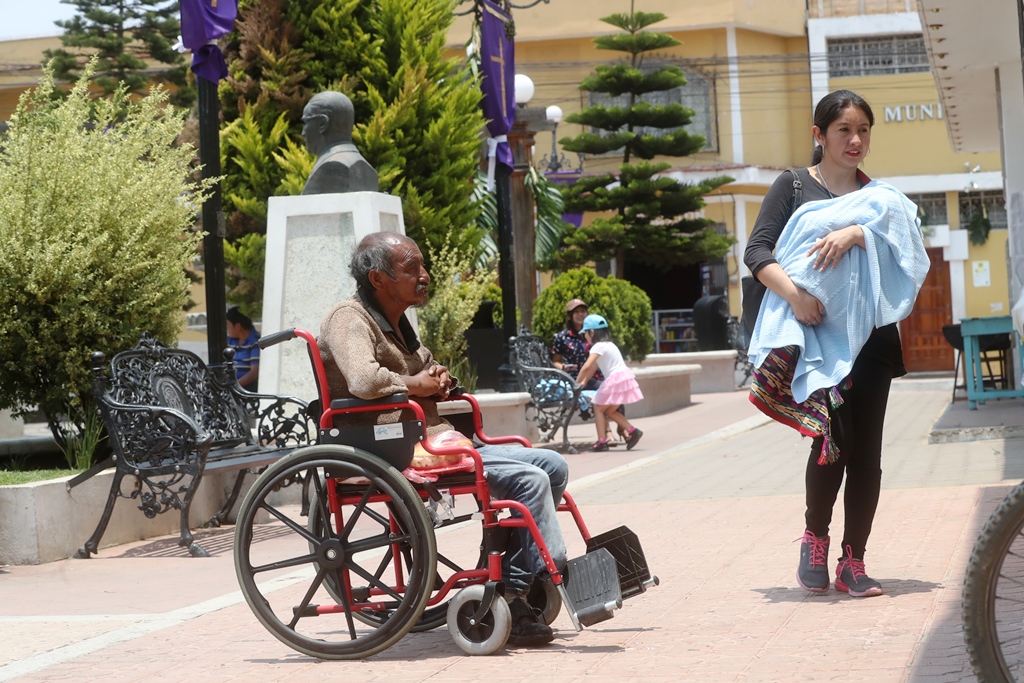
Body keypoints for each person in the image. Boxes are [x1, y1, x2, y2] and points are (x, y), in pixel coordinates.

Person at [318, 232, 568, 646]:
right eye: (412, 267)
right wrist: (415, 383)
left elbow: (426, 367)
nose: (424, 275)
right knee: (530, 481)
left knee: (552, 465)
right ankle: (533, 577)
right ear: (379, 278)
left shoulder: (397, 321)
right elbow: (363, 379)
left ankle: (513, 581)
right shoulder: (350, 318)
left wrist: (440, 379)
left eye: (422, 265)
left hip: (433, 436)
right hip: (392, 443)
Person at [743, 90, 929, 598]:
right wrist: (796, 298)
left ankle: (855, 560)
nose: (855, 140)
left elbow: (907, 253)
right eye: (844, 130)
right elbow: (757, 250)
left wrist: (857, 234)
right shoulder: (795, 185)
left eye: (863, 130)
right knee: (833, 444)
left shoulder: (880, 199)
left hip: (871, 341)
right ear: (819, 134)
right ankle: (815, 537)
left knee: (867, 453)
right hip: (817, 337)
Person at [574, 314, 644, 453]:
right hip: (623, 379)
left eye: (585, 334)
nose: (585, 337)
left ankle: (602, 441)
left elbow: (587, 367)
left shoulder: (597, 347)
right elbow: (593, 369)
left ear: (591, 332)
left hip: (614, 379)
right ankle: (633, 431)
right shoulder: (609, 345)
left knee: (599, 408)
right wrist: (583, 383)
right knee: (610, 411)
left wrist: (575, 383)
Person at [301, 91, 379, 195]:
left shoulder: (331, 167)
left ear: (322, 124)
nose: (303, 132)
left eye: (306, 123)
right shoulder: (368, 170)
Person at [551, 299, 599, 388]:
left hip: (597, 376)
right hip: (577, 379)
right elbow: (556, 361)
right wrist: (563, 367)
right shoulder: (562, 337)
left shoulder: (594, 332)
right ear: (569, 316)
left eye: (583, 311)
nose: (580, 314)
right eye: (576, 312)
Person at [226, 307, 260, 392]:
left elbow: (254, 372)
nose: (227, 329)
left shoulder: (255, 342)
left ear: (237, 326)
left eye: (228, 325)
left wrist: (235, 386)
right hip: (229, 387)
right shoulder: (229, 341)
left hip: (247, 391)